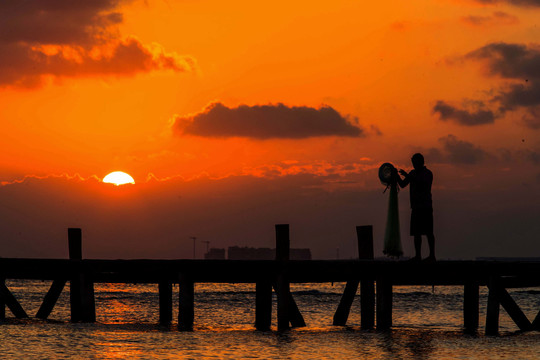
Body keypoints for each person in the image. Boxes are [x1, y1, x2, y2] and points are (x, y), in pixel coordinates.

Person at [396, 153, 435, 261]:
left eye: (415, 163)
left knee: (428, 232)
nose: (413, 165)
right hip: (416, 207)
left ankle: (432, 255)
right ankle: (418, 255)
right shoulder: (412, 173)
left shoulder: (428, 173)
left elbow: (422, 184)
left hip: (426, 207)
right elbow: (403, 184)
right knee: (416, 233)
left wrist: (408, 176)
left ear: (421, 162)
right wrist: (397, 177)